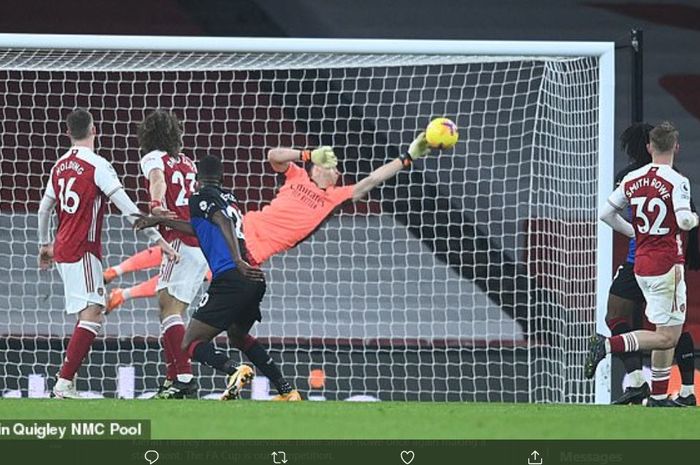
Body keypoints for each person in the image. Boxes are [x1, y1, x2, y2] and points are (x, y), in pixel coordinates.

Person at [133, 133, 433, 400]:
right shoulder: (297, 177)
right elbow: (274, 157)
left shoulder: (333, 198)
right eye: (324, 162)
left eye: (333, 166)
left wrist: (407, 158)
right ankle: (287, 390)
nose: (330, 166)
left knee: (184, 326)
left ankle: (227, 370)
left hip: (239, 261)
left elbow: (372, 180)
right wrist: (307, 153)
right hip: (245, 263)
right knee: (235, 334)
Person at [37, 108, 178, 399]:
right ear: (95, 130)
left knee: (86, 314)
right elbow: (127, 208)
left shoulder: (59, 166)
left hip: (62, 249)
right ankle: (63, 383)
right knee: (94, 312)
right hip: (82, 250)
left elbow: (43, 208)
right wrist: (158, 239)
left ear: (68, 134)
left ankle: (67, 383)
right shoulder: (97, 165)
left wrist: (43, 245)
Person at [588, 121, 700, 407]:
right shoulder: (677, 180)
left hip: (638, 262)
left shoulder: (629, 177)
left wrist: (634, 232)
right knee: (668, 332)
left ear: (649, 146)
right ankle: (660, 386)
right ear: (675, 146)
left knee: (655, 325)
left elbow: (606, 214)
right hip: (665, 262)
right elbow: (688, 218)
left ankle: (661, 394)